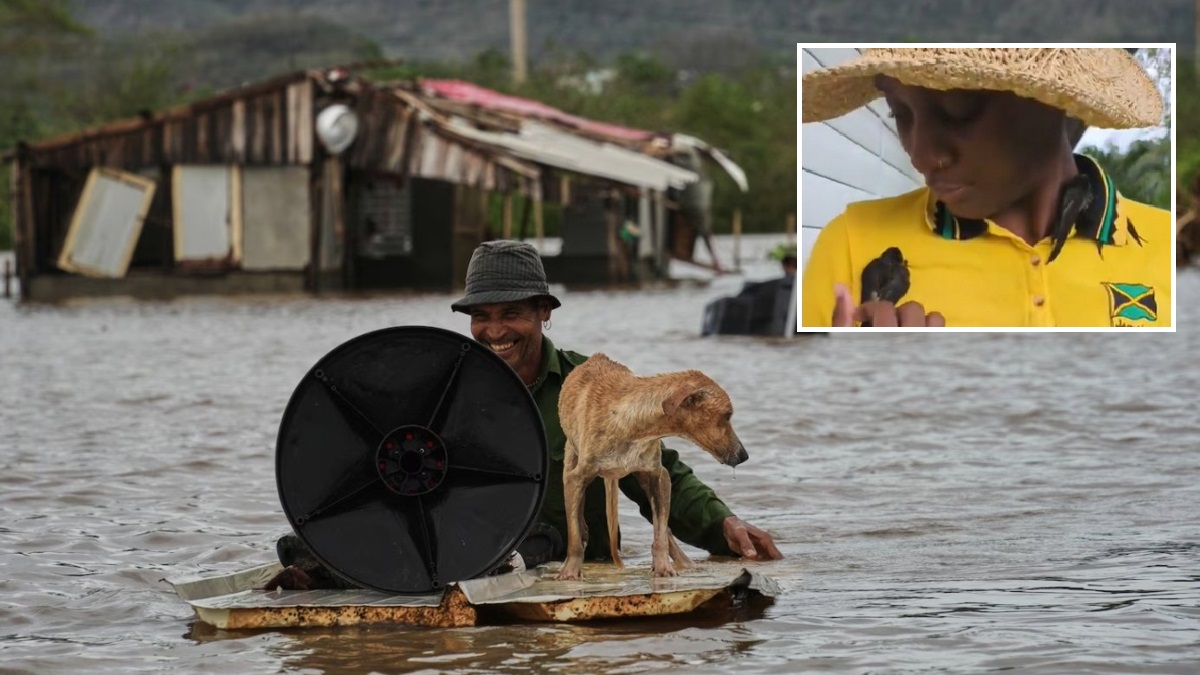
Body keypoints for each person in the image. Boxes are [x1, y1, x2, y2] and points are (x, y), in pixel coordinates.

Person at [452, 240, 782, 565]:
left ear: (543, 310)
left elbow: (660, 472)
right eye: (481, 316)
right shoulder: (449, 396)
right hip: (484, 569)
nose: (494, 331)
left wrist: (723, 524)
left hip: (585, 578)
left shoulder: (596, 389)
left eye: (511, 313)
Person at [799, 47, 1171, 328]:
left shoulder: (1168, 250)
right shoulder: (852, 244)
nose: (922, 154)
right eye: (900, 113)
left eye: (959, 108)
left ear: (1055, 99)